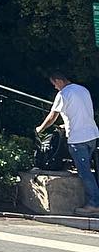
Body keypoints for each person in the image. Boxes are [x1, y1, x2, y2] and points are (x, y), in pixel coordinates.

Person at [37, 71, 99, 214]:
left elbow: (53, 115)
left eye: (54, 84)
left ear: (59, 81)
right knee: (88, 169)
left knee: (85, 173)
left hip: (78, 138)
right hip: (92, 135)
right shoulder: (83, 90)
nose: (55, 88)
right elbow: (81, 113)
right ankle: (93, 201)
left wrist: (41, 128)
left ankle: (94, 204)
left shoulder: (64, 94)